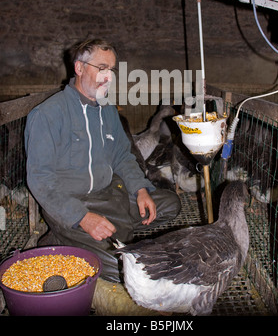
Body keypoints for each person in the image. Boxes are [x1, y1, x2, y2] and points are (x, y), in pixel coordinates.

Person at [24, 39, 181, 282]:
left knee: (171, 204)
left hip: (110, 195)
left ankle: (106, 235)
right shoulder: (47, 115)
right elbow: (40, 180)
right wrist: (83, 218)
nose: (107, 76)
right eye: (101, 68)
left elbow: (121, 155)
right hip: (72, 205)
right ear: (79, 68)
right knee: (123, 269)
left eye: (111, 69)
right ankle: (75, 234)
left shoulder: (107, 110)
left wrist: (140, 189)